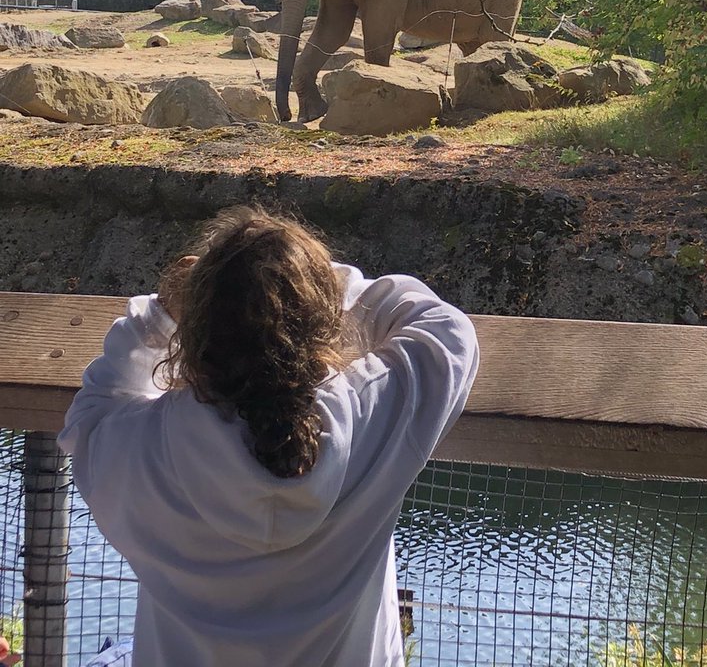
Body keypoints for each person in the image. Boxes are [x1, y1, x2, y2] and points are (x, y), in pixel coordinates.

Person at [59, 205, 479, 667]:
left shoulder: (140, 449)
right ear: (323, 326)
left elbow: (95, 409)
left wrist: (159, 316)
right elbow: (447, 330)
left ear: (194, 335)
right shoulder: (369, 415)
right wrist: (323, 283)